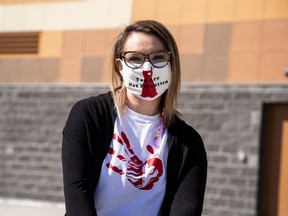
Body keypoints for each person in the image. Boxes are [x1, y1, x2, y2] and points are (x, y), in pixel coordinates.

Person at [62, 20, 207, 216]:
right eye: (135, 59)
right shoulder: (89, 116)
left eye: (158, 57)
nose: (147, 68)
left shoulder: (189, 143)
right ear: (119, 66)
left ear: (172, 64)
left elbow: (187, 208)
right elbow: (77, 198)